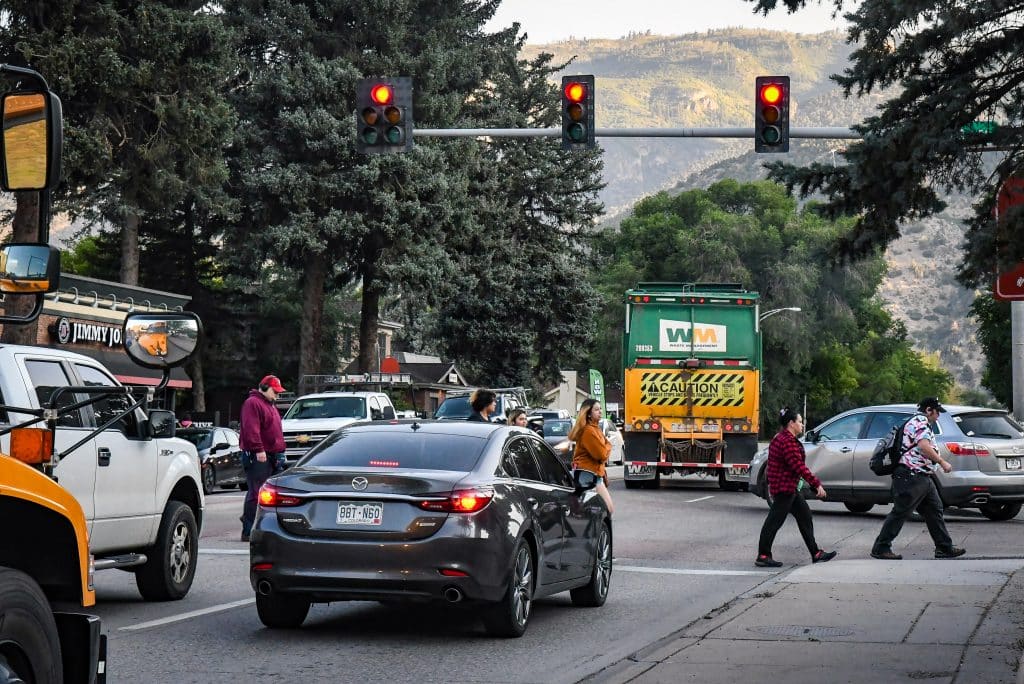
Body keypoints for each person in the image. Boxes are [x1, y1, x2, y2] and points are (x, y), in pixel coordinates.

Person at [871, 397, 966, 560]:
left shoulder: (917, 421)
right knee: (900, 512)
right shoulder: (920, 421)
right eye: (937, 413)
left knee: (934, 510)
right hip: (911, 475)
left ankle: (944, 547)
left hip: (922, 476)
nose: (938, 417)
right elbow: (923, 445)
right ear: (929, 410)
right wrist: (942, 462)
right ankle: (881, 548)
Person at [755, 407, 837, 567]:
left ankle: (816, 553)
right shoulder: (787, 441)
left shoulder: (783, 438)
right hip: (784, 488)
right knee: (774, 522)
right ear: (791, 423)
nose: (802, 425)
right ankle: (763, 555)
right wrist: (816, 483)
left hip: (788, 487)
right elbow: (798, 466)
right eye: (800, 422)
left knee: (805, 516)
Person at [239, 374, 287, 542]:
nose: (277, 395)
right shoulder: (253, 403)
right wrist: (259, 449)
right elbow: (252, 429)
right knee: (256, 493)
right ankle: (248, 529)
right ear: (265, 388)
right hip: (259, 455)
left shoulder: (269, 405)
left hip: (271, 454)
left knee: (267, 493)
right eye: (275, 391)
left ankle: (257, 524)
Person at [569, 398, 615, 514]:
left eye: (600, 409)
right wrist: (607, 446)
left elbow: (606, 447)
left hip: (593, 474)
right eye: (596, 410)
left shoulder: (595, 428)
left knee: (596, 511)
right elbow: (602, 455)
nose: (600, 412)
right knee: (607, 509)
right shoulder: (588, 431)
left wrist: (606, 446)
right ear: (588, 413)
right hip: (588, 475)